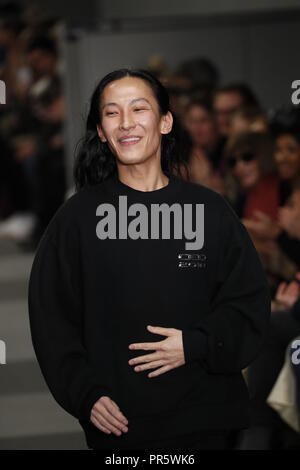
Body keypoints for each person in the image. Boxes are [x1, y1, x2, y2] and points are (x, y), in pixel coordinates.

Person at [27, 68, 271, 450]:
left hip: (206, 416)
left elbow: (249, 304)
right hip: (122, 424)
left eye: (139, 108)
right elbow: (52, 320)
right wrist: (85, 394)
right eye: (112, 113)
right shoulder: (76, 221)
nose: (126, 123)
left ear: (165, 121)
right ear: (102, 131)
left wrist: (195, 344)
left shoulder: (208, 210)